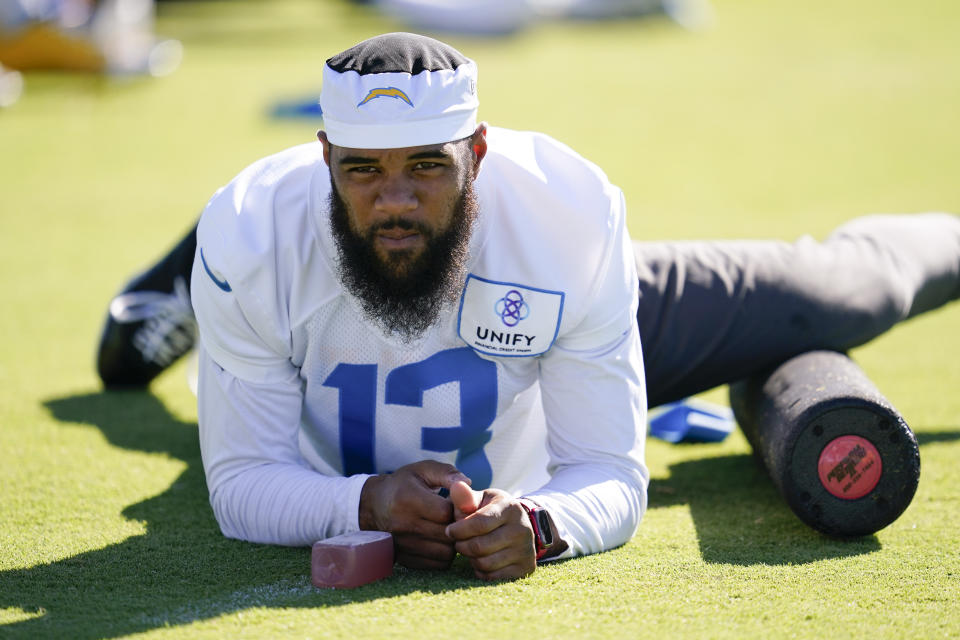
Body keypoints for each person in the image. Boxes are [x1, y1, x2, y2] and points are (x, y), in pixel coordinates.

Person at [96, 32, 960, 580]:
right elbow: (243, 483)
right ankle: (187, 276)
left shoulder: (567, 219)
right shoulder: (256, 241)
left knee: (847, 290)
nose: (395, 201)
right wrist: (362, 502)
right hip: (305, 355)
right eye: (363, 170)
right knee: (125, 366)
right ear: (324, 160)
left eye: (426, 166)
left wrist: (540, 523)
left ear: (479, 152)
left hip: (547, 343)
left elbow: (611, 472)